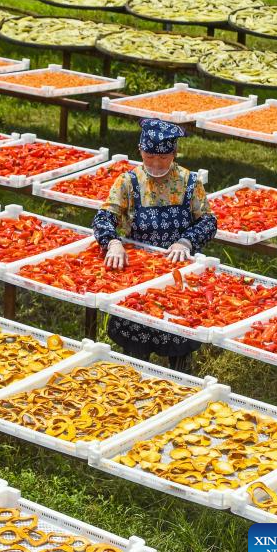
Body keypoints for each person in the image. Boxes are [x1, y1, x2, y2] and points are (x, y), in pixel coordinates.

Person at [93, 118, 217, 373]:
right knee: (136, 342)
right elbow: (104, 216)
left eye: (163, 158)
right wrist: (113, 242)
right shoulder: (128, 182)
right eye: (149, 157)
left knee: (179, 335)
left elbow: (208, 221)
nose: (156, 164)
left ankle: (182, 386)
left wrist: (187, 241)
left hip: (178, 271)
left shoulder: (189, 182)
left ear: (174, 153)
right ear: (140, 151)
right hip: (140, 271)